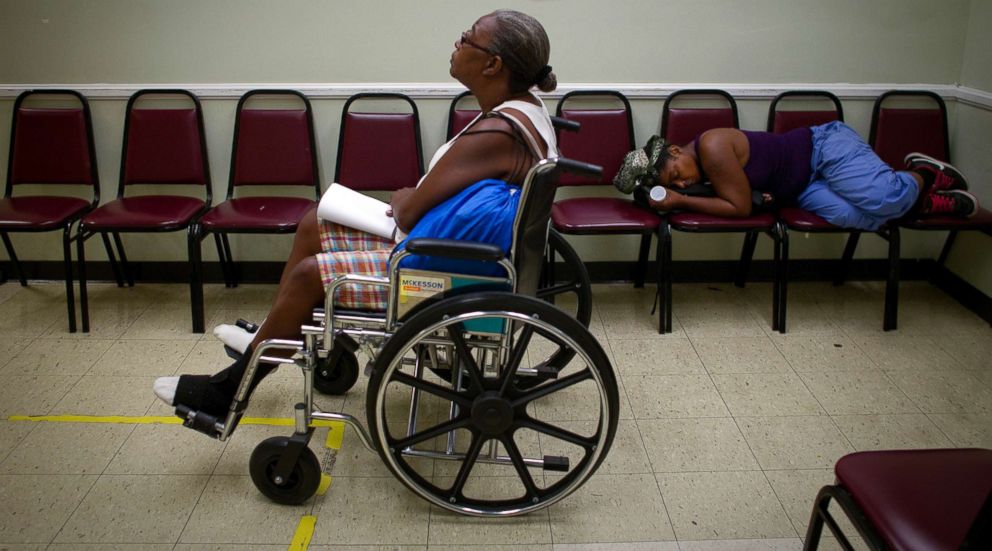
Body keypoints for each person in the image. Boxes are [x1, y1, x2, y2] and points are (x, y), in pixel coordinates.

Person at [153, 9, 559, 418]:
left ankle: (230, 388)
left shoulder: (497, 133)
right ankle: (274, 335)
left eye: (467, 39)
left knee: (310, 274)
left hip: (445, 277)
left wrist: (404, 196)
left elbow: (410, 212)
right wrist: (411, 200)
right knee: (316, 222)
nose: (457, 44)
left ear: (492, 64)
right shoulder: (526, 110)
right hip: (459, 253)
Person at [613, 122, 980, 230]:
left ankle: (923, 174)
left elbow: (740, 207)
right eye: (672, 186)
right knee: (861, 217)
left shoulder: (711, 147)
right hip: (803, 187)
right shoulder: (704, 174)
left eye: (674, 173)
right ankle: (927, 204)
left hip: (823, 149)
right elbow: (747, 197)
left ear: (675, 150)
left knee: (883, 199)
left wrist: (681, 201)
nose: (680, 183)